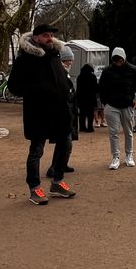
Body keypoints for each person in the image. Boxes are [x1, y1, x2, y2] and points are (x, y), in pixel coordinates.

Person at [7, 24, 76, 205]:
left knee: (66, 144)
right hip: (38, 112)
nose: (50, 38)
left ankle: (57, 182)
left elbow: (62, 78)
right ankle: (34, 187)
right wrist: (37, 91)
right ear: (36, 37)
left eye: (51, 35)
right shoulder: (25, 60)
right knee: (36, 150)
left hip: (60, 112)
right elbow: (13, 86)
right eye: (46, 35)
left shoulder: (54, 55)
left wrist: (68, 91)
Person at [99, 47, 136, 170]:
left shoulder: (134, 70)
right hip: (112, 105)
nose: (118, 62)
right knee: (113, 133)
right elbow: (101, 87)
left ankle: (129, 155)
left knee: (128, 132)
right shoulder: (107, 71)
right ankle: (115, 157)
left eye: (120, 59)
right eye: (115, 60)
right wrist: (105, 103)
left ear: (124, 58)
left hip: (128, 105)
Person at [46, 45, 78, 178]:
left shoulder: (65, 73)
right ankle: (55, 167)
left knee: (65, 143)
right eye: (67, 60)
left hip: (68, 112)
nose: (70, 62)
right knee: (64, 143)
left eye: (71, 60)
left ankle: (61, 165)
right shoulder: (60, 74)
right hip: (62, 114)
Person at [76, 63, 98, 133]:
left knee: (82, 114)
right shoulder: (92, 76)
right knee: (90, 114)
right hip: (90, 98)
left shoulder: (79, 77)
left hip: (81, 98)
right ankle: (90, 127)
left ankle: (82, 127)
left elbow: (78, 88)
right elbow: (95, 87)